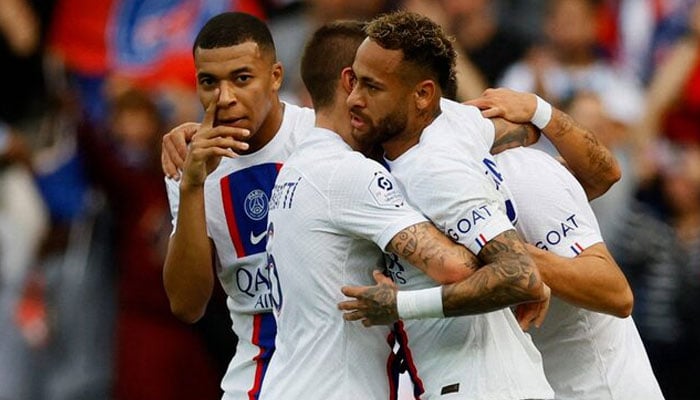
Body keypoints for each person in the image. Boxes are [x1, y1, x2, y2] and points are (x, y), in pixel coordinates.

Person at [338, 11, 664, 399]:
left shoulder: (524, 173)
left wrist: (541, 111)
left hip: (603, 386)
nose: (355, 101)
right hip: (534, 380)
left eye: (372, 87)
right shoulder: (424, 154)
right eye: (352, 83)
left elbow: (617, 293)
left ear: (424, 97)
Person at [259, 20, 511, 399]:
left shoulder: (298, 166)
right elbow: (455, 267)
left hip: (289, 382)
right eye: (371, 81)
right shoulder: (347, 172)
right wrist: (510, 255)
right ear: (350, 83)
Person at [161, 12, 315, 400]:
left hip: (342, 368)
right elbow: (186, 304)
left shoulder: (322, 136)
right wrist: (192, 186)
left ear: (276, 77)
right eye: (208, 82)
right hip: (257, 375)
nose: (224, 98)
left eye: (242, 79)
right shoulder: (189, 164)